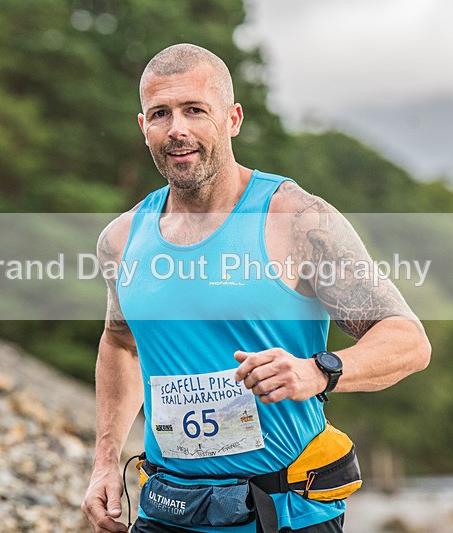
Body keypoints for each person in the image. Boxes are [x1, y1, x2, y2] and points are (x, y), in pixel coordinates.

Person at [81, 43, 431, 533]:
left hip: (283, 513)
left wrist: (318, 371)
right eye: (161, 114)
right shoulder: (121, 239)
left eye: (194, 110)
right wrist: (104, 462)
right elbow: (121, 344)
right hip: (168, 510)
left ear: (232, 119)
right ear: (144, 128)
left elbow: (408, 341)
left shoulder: (296, 219)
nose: (177, 128)